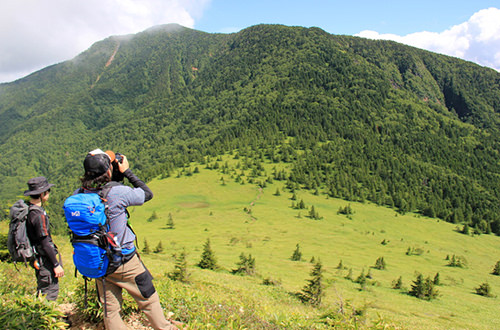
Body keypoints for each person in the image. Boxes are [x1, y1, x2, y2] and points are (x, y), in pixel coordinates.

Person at [80, 149, 179, 330]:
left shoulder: (79, 194)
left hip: (99, 262)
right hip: (124, 261)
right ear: (109, 171)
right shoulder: (118, 193)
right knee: (148, 298)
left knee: (110, 310)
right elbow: (147, 193)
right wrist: (126, 172)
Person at [24, 176, 64, 301]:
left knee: (43, 290)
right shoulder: (39, 216)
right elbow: (45, 242)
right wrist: (56, 264)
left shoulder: (29, 211)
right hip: (44, 261)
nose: (49, 194)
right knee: (49, 293)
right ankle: (45, 320)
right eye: (48, 191)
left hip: (37, 258)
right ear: (42, 194)